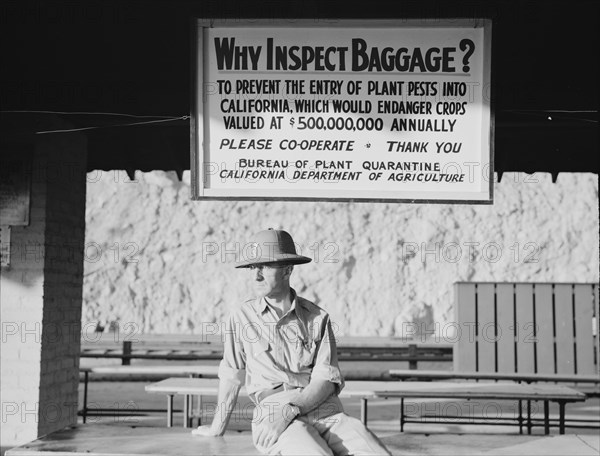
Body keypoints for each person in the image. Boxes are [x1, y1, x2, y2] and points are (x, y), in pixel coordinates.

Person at [192, 228, 391, 455]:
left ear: (288, 270)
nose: (256, 275)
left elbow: (326, 379)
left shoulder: (317, 318)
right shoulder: (241, 317)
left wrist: (293, 409)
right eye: (253, 267)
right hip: (274, 411)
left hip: (324, 410)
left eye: (265, 266)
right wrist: (217, 428)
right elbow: (231, 375)